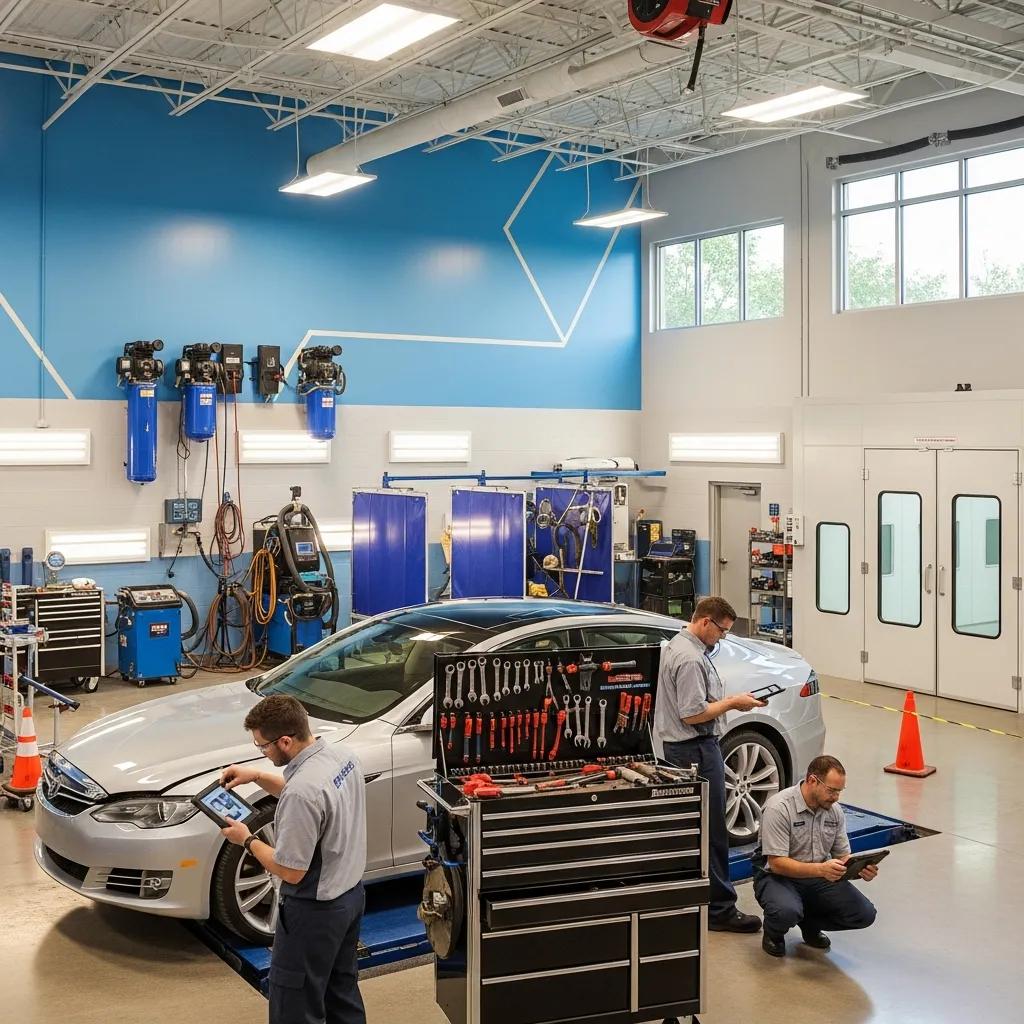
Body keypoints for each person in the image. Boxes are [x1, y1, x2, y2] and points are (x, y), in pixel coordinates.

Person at [220, 694, 368, 1024]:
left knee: (295, 1005)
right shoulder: (340, 755)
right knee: (340, 994)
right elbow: (310, 792)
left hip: (314, 912)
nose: (262, 751)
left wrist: (247, 840)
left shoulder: (303, 791)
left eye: (263, 747)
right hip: (350, 898)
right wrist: (256, 775)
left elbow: (291, 870)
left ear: (285, 741)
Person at [655, 596, 767, 933]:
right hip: (696, 751)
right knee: (713, 832)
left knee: (695, 830)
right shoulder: (690, 659)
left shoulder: (678, 645)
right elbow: (692, 714)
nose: (722, 638)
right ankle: (719, 910)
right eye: (721, 631)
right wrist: (733, 702)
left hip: (682, 750)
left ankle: (695, 900)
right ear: (705, 621)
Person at [753, 754, 879, 957]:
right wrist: (821, 869)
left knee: (864, 914)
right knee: (786, 912)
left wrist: (859, 869)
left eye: (839, 791)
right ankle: (773, 932)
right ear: (812, 780)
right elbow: (776, 864)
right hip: (778, 877)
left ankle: (809, 925)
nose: (836, 797)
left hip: (817, 876)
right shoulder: (779, 808)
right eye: (831, 790)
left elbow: (843, 855)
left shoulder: (834, 812)